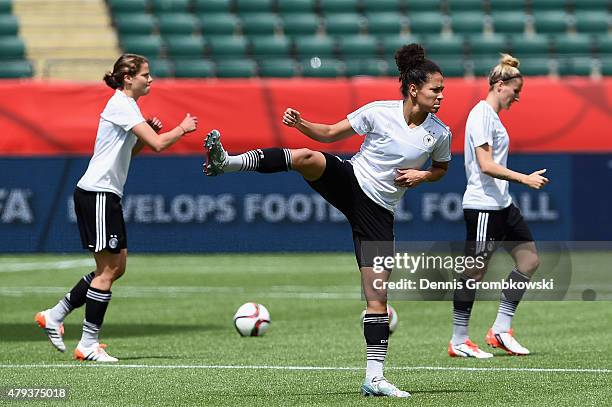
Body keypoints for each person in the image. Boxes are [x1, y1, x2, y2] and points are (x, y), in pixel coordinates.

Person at [203, 44, 451, 397]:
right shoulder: (379, 112)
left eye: (442, 90)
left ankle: (374, 378)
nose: (441, 95)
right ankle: (226, 163)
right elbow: (331, 134)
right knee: (306, 156)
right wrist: (301, 123)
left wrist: (422, 176)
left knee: (377, 296)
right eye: (435, 89)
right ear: (414, 89)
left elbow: (442, 169)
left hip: (379, 211)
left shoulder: (440, 133)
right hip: (351, 180)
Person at [35, 54, 198, 362]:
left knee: (114, 268)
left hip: (104, 195)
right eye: (145, 75)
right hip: (97, 193)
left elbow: (134, 152)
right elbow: (160, 144)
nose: (150, 79)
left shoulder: (127, 106)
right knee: (108, 271)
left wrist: (146, 133)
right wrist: (183, 128)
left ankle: (54, 315)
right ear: (128, 78)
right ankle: (87, 344)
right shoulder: (122, 104)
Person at [448, 54, 549, 359]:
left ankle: (501, 330)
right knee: (474, 272)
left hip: (502, 204)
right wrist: (524, 179)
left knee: (529, 260)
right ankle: (459, 339)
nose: (517, 97)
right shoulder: (480, 114)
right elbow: (486, 165)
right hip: (483, 206)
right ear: (500, 84)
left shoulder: (493, 117)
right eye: (515, 91)